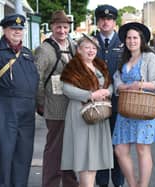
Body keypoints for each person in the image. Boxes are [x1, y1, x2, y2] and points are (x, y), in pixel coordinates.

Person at [0, 14, 39, 186]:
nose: (17, 32)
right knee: (1, 156)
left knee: (23, 156)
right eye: (13, 28)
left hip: (26, 111)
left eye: (20, 29)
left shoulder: (26, 53)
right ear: (5, 30)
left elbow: (34, 80)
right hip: (4, 109)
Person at [113, 22, 155, 187]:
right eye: (129, 38)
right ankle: (133, 184)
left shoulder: (149, 58)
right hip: (125, 112)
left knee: (142, 150)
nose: (131, 41)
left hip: (144, 110)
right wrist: (124, 87)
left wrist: (140, 85)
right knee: (120, 150)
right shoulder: (124, 59)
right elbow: (116, 83)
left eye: (135, 38)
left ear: (141, 40)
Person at [60, 34, 114, 187]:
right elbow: (66, 89)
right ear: (79, 50)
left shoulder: (100, 65)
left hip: (99, 114)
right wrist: (90, 95)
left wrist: (107, 91)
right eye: (87, 47)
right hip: (80, 113)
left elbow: (109, 84)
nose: (91, 51)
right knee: (84, 157)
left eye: (94, 48)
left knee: (94, 159)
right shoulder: (73, 66)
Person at [34, 10, 78, 187]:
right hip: (54, 107)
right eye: (58, 26)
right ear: (51, 27)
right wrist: (41, 103)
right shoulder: (44, 50)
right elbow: (37, 79)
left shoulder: (74, 46)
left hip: (73, 106)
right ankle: (50, 183)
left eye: (65, 27)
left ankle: (70, 182)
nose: (61, 30)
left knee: (71, 149)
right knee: (54, 149)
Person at [94, 4, 125, 187]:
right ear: (98, 21)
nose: (106, 22)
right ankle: (102, 182)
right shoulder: (90, 43)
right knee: (99, 146)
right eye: (102, 19)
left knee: (118, 145)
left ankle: (118, 182)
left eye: (110, 19)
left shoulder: (124, 43)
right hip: (96, 104)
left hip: (119, 104)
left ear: (114, 22)